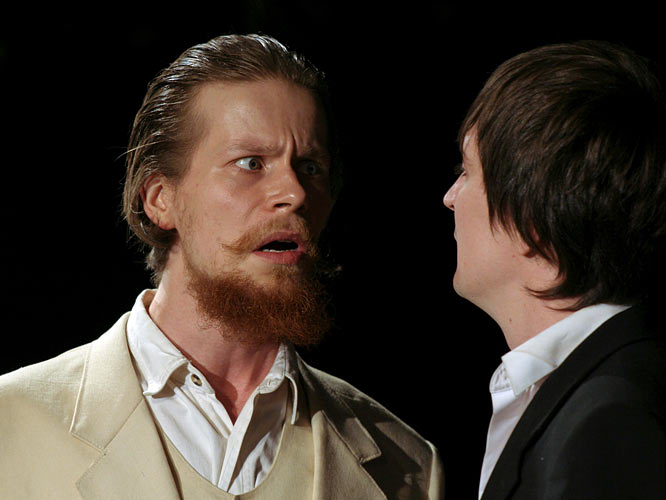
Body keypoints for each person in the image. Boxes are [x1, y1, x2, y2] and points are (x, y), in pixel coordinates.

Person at [0, 34, 442, 499]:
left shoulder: (407, 465)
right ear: (161, 200)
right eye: (251, 163)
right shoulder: (10, 425)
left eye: (311, 167)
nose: (295, 193)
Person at [443, 41, 666, 500]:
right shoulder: (608, 388)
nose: (450, 197)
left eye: (467, 171)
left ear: (530, 227)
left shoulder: (614, 420)